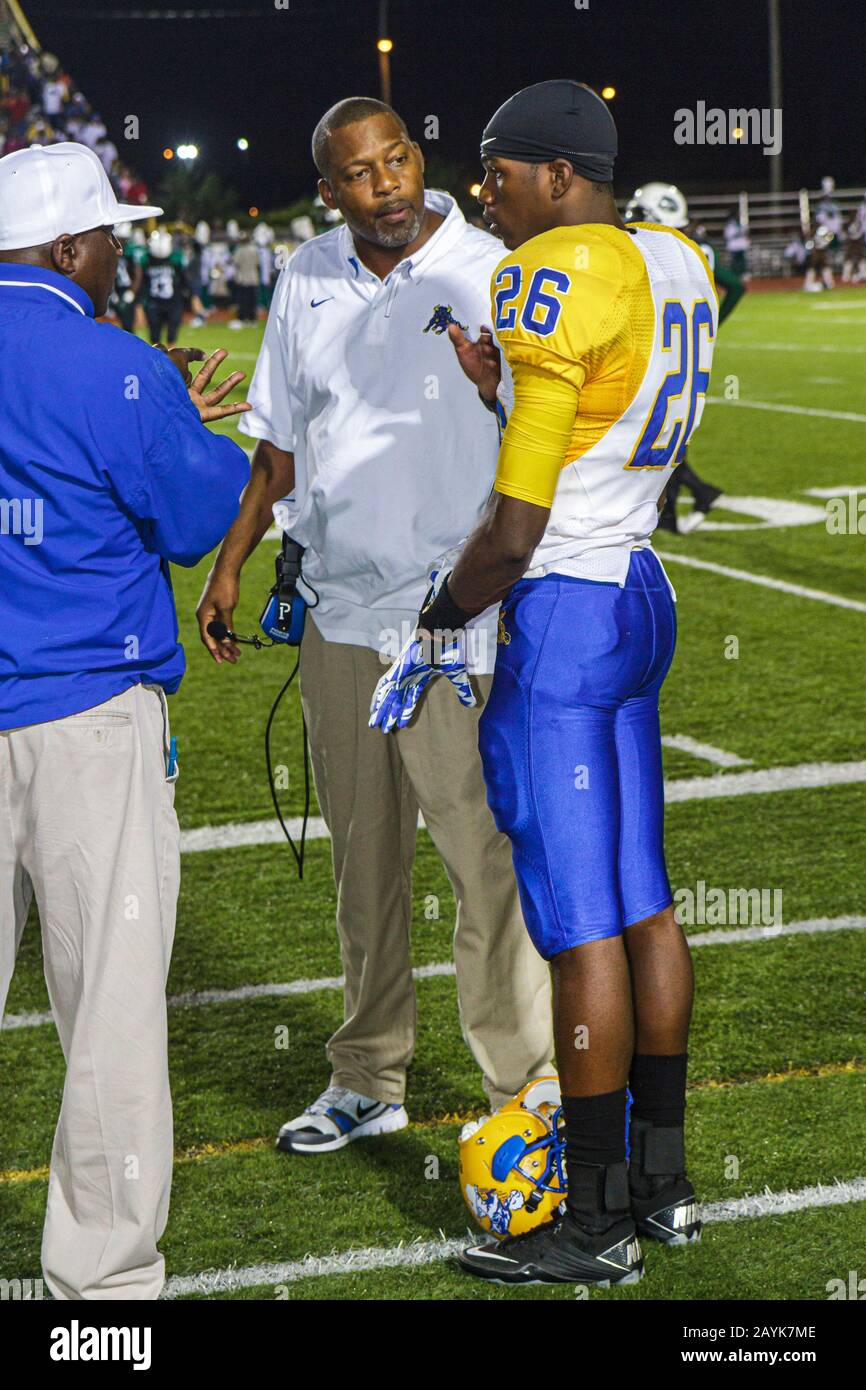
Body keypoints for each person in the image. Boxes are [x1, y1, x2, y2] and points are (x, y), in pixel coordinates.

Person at [371, 80, 717, 1286]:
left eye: (499, 169)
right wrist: (500, 389)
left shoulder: (551, 268)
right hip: (639, 588)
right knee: (643, 904)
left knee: (578, 933)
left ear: (559, 177)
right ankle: (663, 1185)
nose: (484, 189)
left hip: (563, 608)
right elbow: (599, 424)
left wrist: (437, 612)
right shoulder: (671, 259)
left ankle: (597, 1215)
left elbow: (515, 528)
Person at [196, 97, 555, 1152]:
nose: (386, 183)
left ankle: (520, 1083)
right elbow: (277, 445)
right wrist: (228, 567)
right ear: (329, 191)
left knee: (481, 859)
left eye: (396, 159)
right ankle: (367, 1074)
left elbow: (545, 432)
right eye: (359, 173)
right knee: (364, 863)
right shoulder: (305, 273)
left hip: (452, 617)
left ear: (417, 158)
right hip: (338, 612)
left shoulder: (494, 266)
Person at [0, 142, 250, 1300]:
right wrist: (170, 420)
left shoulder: (115, 365)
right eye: (107, 235)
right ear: (65, 247)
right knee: (105, 1012)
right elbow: (199, 508)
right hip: (84, 716)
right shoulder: (116, 366)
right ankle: (100, 1296)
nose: (118, 252)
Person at [624, 183, 745, 533]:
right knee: (672, 435)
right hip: (689, 350)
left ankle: (687, 501)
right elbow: (735, 286)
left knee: (661, 437)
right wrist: (711, 322)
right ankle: (676, 510)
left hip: (657, 353)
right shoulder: (696, 250)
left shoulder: (651, 251)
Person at [142, 227, 189, 345]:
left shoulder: (176, 258)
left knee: (171, 336)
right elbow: (143, 281)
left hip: (173, 301)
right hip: (154, 302)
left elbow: (184, 279)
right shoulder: (146, 259)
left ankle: (169, 362)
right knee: (154, 337)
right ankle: (157, 362)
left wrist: (191, 295)